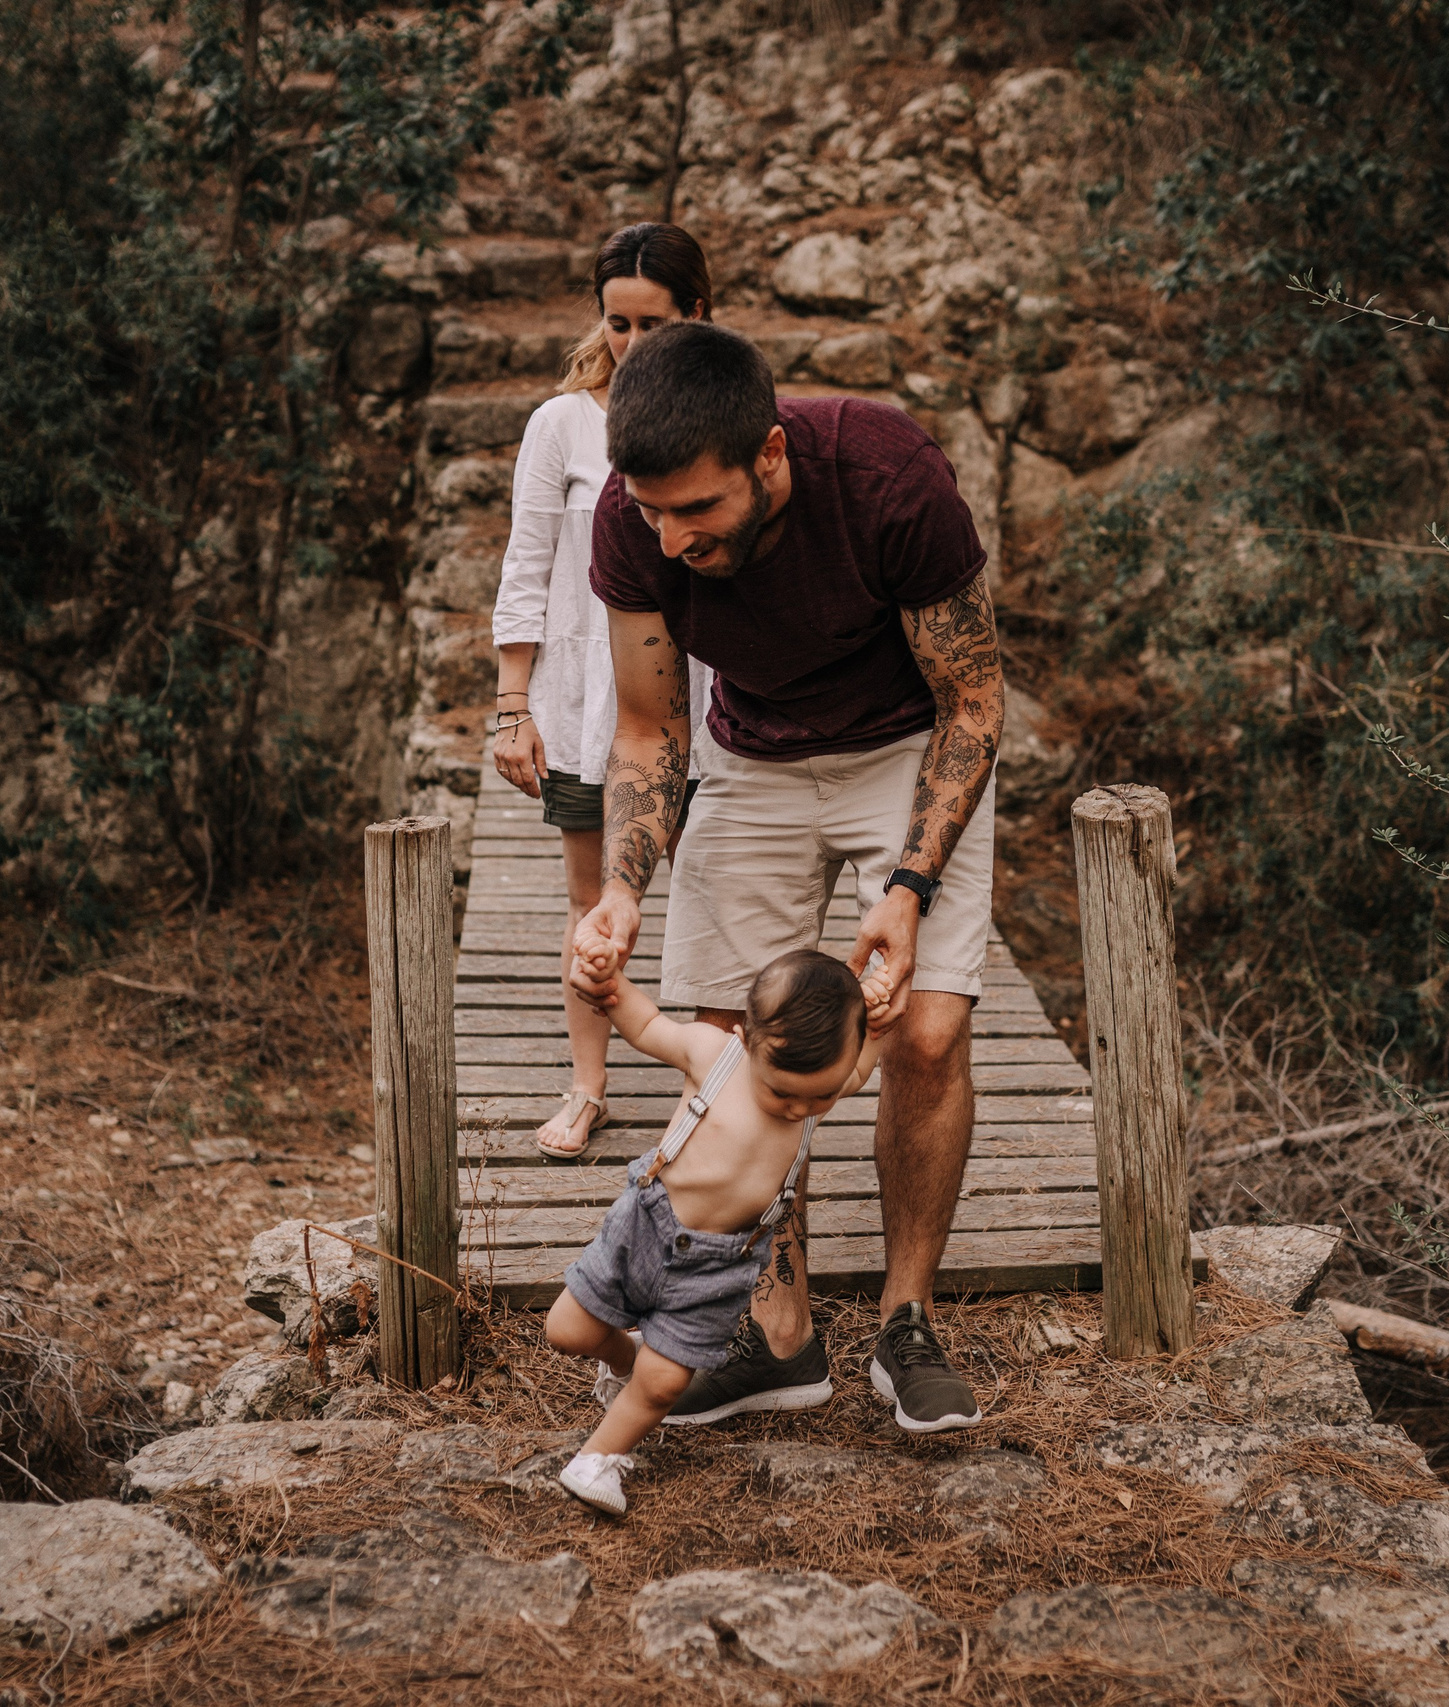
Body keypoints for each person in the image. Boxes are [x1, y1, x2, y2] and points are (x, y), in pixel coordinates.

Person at [569, 321, 1007, 1435]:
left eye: (696, 511)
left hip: (906, 744)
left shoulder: (888, 477)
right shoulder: (631, 524)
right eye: (651, 511)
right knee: (728, 1037)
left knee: (923, 1031)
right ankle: (775, 1336)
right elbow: (645, 727)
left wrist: (905, 887)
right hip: (748, 757)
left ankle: (905, 1324)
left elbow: (973, 702)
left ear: (769, 456)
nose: (667, 539)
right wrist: (619, 892)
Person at [491, 223, 716, 1160]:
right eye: (617, 324)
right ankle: (588, 1086)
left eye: (653, 324)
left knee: (712, 899)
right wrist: (513, 703)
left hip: (711, 703)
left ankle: (707, 1095)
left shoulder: (727, 413)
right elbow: (528, 562)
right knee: (593, 901)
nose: (631, 345)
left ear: (698, 314)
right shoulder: (563, 424)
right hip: (590, 705)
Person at [545, 948, 890, 1515]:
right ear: (747, 1037)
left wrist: (875, 1021)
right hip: (646, 1226)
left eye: (820, 1097)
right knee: (567, 1330)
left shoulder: (818, 1081)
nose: (801, 1108)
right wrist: (608, 984)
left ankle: (597, 1459)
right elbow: (648, 1024)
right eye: (783, 1093)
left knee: (665, 1383)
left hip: (722, 1264)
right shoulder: (715, 1055)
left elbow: (854, 1069)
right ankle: (625, 1358)